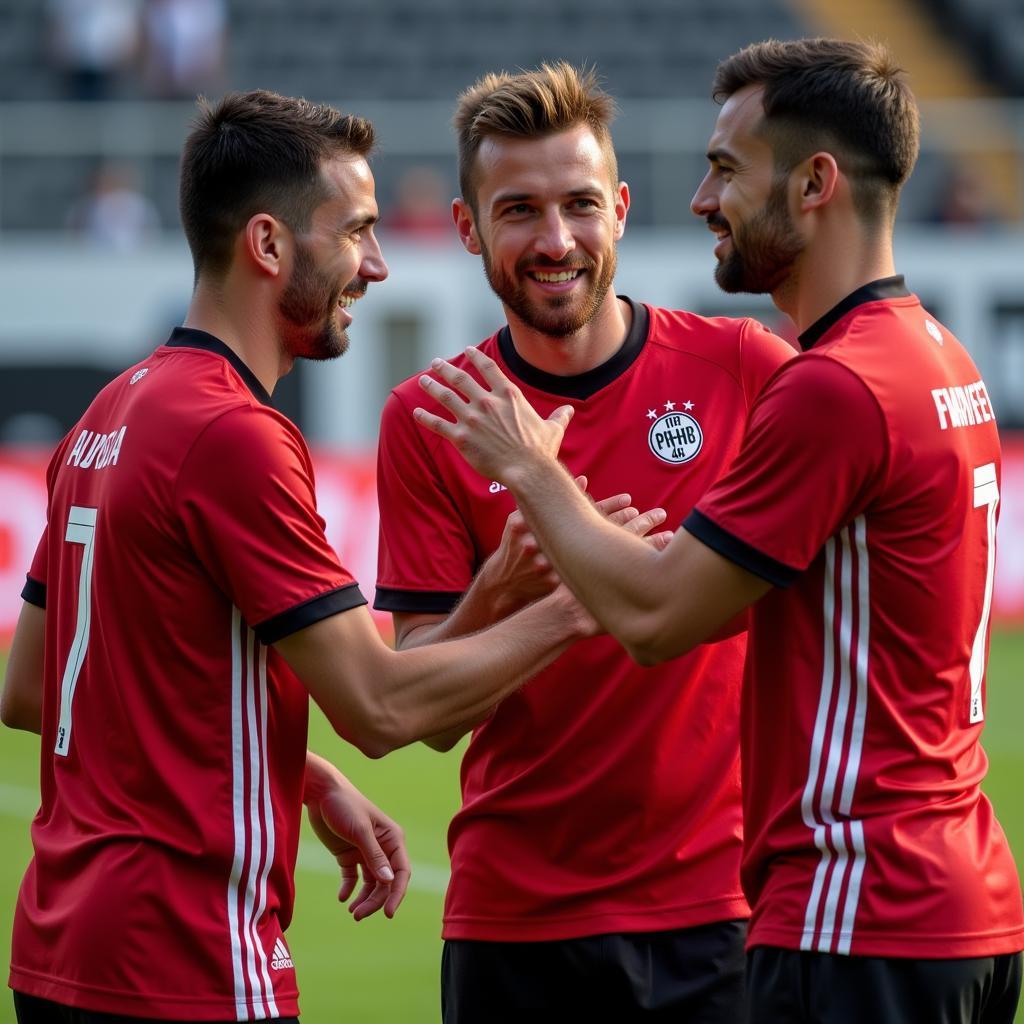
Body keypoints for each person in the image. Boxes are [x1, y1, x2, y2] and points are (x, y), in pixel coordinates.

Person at [0, 89, 649, 1024]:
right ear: (268, 246)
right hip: (186, 954)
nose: (377, 265)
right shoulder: (235, 436)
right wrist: (583, 598)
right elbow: (382, 707)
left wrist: (301, 775)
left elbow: (31, 686)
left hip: (60, 945)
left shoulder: (110, 412)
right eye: (357, 232)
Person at [414, 40, 1024, 1024]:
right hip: (956, 893)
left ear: (815, 182)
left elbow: (657, 616)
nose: (701, 197)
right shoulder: (936, 354)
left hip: (856, 905)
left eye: (727, 169)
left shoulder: (825, 385)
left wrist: (531, 469)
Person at [375, 63, 795, 1022]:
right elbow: (424, 711)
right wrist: (499, 593)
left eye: (580, 205)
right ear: (467, 227)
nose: (555, 240)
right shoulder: (433, 416)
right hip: (514, 924)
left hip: (724, 912)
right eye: (518, 210)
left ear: (622, 209)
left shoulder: (745, 371)